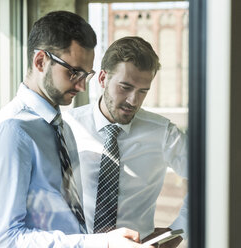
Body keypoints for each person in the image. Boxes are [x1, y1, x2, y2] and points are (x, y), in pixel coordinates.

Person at [0, 11, 152, 248]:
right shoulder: (10, 132)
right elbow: (6, 240)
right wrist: (102, 244)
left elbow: (65, 221)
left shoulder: (61, 128)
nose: (81, 85)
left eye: (86, 75)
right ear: (40, 62)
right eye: (73, 72)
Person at [63, 36, 187, 247]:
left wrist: (180, 228)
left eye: (142, 91)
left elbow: (209, 180)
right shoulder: (67, 127)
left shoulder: (164, 134)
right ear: (102, 78)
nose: (133, 101)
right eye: (125, 87)